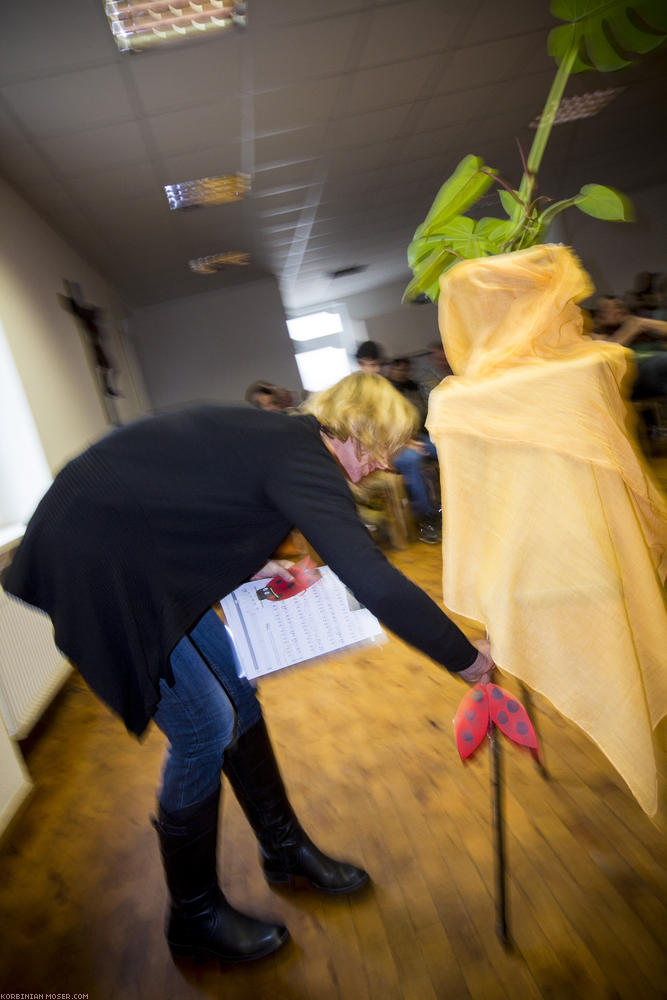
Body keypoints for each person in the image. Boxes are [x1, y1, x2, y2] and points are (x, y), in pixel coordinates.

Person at [2, 372, 493, 966]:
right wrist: (465, 659)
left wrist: (259, 566)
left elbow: (197, 506)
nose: (381, 468)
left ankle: (285, 851)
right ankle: (194, 916)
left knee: (238, 695)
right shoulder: (303, 455)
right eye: (381, 451)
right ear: (357, 430)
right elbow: (374, 581)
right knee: (204, 726)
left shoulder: (280, 443)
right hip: (99, 558)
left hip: (128, 545)